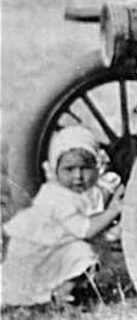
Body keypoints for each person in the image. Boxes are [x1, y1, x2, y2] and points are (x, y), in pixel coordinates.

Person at [2, 126, 124, 306]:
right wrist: (113, 211)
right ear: (55, 170)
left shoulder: (84, 190)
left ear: (96, 168)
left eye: (85, 168)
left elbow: (97, 203)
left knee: (82, 252)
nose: (78, 176)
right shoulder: (57, 197)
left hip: (57, 247)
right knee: (84, 254)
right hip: (38, 254)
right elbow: (86, 231)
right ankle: (61, 293)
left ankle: (67, 288)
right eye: (69, 169)